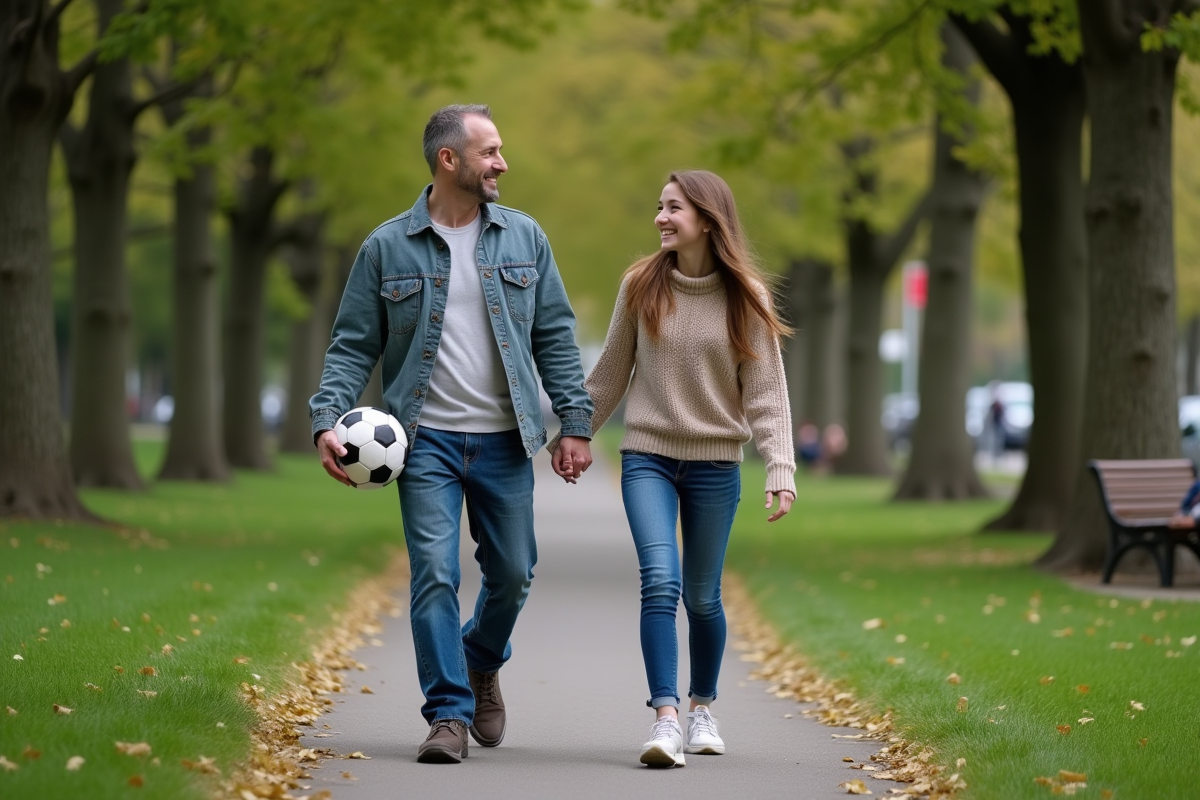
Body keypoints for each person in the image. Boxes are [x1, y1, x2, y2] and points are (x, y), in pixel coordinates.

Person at [309, 104, 594, 764]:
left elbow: (554, 335)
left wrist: (573, 425)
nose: (502, 162)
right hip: (423, 441)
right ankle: (447, 715)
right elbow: (353, 344)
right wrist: (327, 419)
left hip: (503, 437)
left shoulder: (525, 238)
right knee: (434, 572)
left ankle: (479, 660)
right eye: (490, 151)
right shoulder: (386, 246)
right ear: (449, 160)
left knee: (514, 572)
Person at [554, 169, 795, 767]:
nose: (660, 218)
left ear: (708, 221)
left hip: (716, 463)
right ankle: (665, 719)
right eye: (659, 207)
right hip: (648, 459)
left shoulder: (748, 298)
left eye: (673, 208)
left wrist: (780, 465)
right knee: (659, 581)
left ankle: (702, 707)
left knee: (703, 597)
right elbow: (610, 370)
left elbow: (765, 393)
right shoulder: (641, 285)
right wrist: (573, 433)